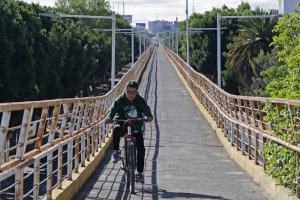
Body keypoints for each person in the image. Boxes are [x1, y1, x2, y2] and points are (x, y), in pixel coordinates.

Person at [105, 80, 153, 183]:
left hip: (136, 126)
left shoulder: (140, 100)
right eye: (129, 92)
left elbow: (146, 108)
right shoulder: (120, 100)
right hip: (123, 124)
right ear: (125, 90)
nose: (131, 95)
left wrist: (149, 116)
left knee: (141, 149)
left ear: (137, 92)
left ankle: (139, 173)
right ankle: (116, 151)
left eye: (134, 93)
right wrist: (109, 117)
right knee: (116, 129)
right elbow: (113, 109)